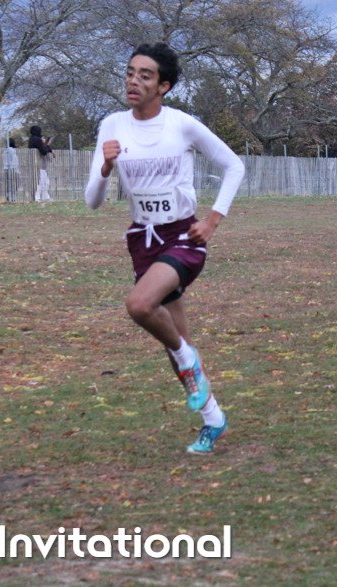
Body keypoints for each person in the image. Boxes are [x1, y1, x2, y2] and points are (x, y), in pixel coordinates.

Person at [84, 42, 245, 455]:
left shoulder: (181, 124)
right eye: (130, 72)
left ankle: (188, 360)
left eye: (145, 75)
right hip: (142, 239)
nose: (133, 81)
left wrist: (213, 220)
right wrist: (105, 167)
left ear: (164, 86)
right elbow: (92, 201)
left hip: (182, 236)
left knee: (140, 306)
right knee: (177, 342)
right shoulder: (112, 125)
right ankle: (214, 420)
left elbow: (234, 165)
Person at [28, 126, 53, 201]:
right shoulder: (37, 140)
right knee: (41, 181)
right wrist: (47, 145)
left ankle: (45, 197)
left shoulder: (31, 139)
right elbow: (44, 151)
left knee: (45, 180)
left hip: (34, 162)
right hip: (39, 163)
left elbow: (41, 148)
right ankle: (37, 197)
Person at [2, 137, 20, 202]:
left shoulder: (4, 150)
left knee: (8, 183)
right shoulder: (12, 150)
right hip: (12, 169)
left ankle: (8, 196)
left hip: (5, 168)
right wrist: (16, 170)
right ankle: (11, 197)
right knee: (13, 183)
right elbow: (14, 160)